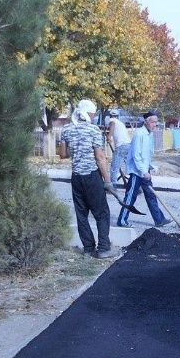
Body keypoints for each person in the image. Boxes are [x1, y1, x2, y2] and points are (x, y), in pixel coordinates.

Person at [59, 99, 114, 258]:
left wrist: (76, 152)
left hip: (76, 177)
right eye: (93, 113)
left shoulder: (67, 129)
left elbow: (63, 154)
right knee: (102, 213)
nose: (95, 115)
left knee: (81, 215)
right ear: (89, 113)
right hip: (92, 177)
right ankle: (103, 248)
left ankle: (88, 249)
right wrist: (107, 181)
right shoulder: (93, 130)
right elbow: (100, 157)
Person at [117, 110, 171, 229]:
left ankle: (159, 220)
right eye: (153, 122)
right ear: (146, 122)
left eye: (156, 122)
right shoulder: (139, 134)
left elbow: (145, 155)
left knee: (151, 195)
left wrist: (151, 166)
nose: (155, 124)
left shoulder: (149, 134)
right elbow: (136, 155)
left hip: (144, 171)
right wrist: (143, 171)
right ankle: (121, 220)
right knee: (130, 196)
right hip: (137, 172)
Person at [106, 109, 131, 187]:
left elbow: (112, 125)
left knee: (114, 166)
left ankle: (113, 185)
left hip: (121, 146)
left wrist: (109, 136)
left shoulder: (112, 120)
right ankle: (136, 185)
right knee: (130, 166)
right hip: (128, 145)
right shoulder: (120, 123)